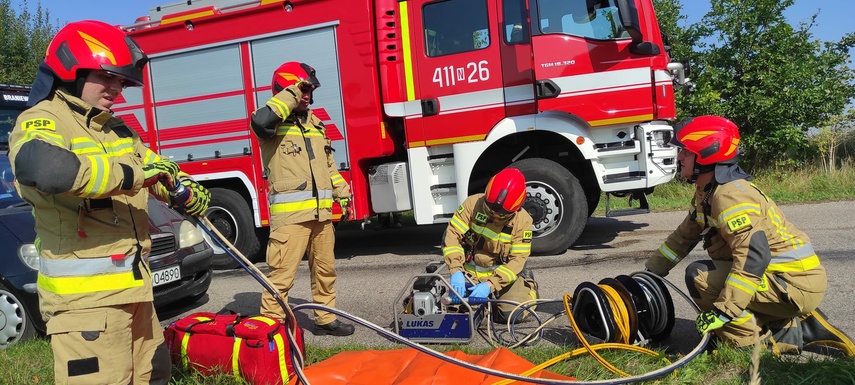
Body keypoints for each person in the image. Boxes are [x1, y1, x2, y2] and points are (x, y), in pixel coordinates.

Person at [8, 20, 210, 384]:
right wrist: (137, 176)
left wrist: (183, 189)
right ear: (74, 69)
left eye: (123, 81)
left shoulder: (116, 129)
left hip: (137, 295)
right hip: (86, 308)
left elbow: (158, 169)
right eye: (109, 77)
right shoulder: (41, 120)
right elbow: (47, 171)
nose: (119, 88)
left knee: (155, 376)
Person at [644, 115, 854, 356]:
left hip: (793, 283)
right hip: (784, 280)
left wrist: (725, 311)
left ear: (706, 154)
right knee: (714, 271)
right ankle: (785, 323)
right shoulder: (709, 191)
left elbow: (752, 259)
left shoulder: (730, 197)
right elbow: (683, 237)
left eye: (685, 152)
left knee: (700, 277)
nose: (679, 157)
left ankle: (751, 346)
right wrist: (650, 273)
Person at [250, 61, 355, 336]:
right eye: (302, 89)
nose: (307, 95)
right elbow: (260, 122)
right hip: (291, 219)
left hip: (321, 216)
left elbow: (328, 166)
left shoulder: (316, 124)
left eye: (309, 90)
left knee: (325, 271)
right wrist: (293, 92)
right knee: (281, 278)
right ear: (285, 89)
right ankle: (271, 331)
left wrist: (343, 196)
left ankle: (325, 319)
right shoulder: (269, 120)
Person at [441, 167, 539, 323]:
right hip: (469, 274)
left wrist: (490, 285)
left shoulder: (523, 221)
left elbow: (518, 260)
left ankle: (530, 287)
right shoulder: (472, 204)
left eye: (501, 215)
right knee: (461, 316)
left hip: (501, 278)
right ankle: (485, 305)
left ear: (516, 209)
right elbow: (452, 236)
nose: (494, 216)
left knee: (512, 315)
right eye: (489, 210)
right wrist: (456, 271)